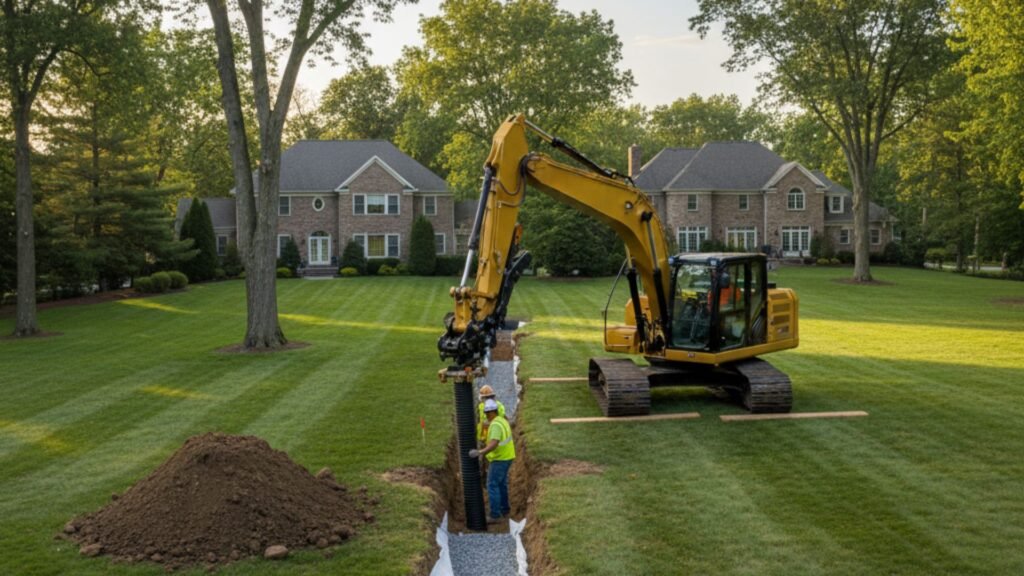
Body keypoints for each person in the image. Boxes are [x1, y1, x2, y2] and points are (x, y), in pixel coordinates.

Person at [468, 399, 515, 524]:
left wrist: (480, 452)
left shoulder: (495, 425)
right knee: (501, 484)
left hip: (499, 459)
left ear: (490, 412)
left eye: (486, 413)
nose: (486, 416)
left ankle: (495, 515)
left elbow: (494, 443)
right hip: (508, 457)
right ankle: (505, 510)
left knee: (492, 485)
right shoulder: (503, 421)